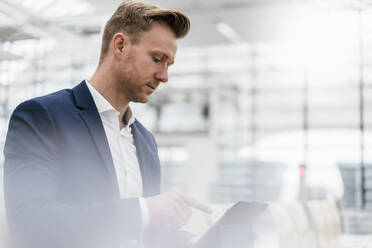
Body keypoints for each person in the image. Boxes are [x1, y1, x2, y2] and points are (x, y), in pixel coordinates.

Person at [3, 1, 211, 248]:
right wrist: (144, 210)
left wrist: (200, 241)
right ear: (120, 45)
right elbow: (31, 222)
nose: (164, 76)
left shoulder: (145, 140)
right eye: (157, 59)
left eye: (168, 65)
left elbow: (145, 231)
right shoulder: (42, 117)